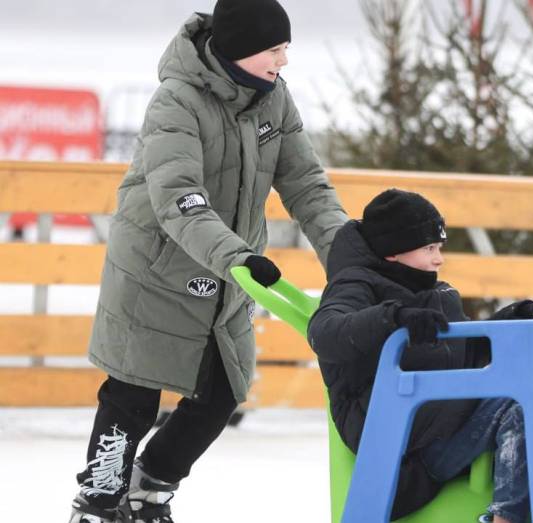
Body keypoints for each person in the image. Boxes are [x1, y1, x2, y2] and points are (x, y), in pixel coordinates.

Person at [69, 1, 347, 521]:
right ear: (241, 49)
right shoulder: (176, 102)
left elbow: (307, 186)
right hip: (156, 269)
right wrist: (237, 255)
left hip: (226, 271)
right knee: (132, 395)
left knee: (222, 394)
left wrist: (349, 260)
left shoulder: (274, 101)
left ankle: (149, 489)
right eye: (275, 48)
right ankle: (99, 502)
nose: (284, 60)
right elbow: (180, 199)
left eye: (287, 47)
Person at [308, 189, 533, 523]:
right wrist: (393, 317)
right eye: (429, 248)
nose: (438, 259)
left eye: (439, 248)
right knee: (518, 405)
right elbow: (325, 332)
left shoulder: (432, 292)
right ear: (393, 253)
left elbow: (462, 350)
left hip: (440, 419)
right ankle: (506, 518)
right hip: (399, 440)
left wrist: (520, 317)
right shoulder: (356, 286)